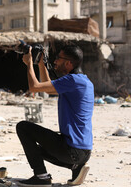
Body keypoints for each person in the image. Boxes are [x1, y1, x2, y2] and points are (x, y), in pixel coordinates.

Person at [17, 45, 94, 186]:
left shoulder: (73, 81)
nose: (55, 61)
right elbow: (48, 87)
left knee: (23, 127)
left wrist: (29, 64)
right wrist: (41, 63)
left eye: (59, 58)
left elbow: (35, 87)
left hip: (71, 150)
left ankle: (41, 177)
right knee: (36, 151)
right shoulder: (82, 81)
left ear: (69, 63)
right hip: (82, 152)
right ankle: (75, 168)